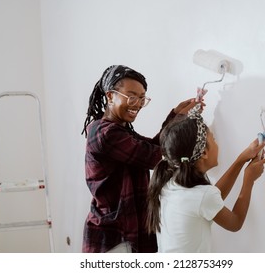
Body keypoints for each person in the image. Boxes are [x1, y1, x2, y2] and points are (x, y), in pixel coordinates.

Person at [81, 65, 198, 253]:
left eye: (142, 98)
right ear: (110, 96)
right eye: (131, 96)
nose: (137, 103)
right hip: (113, 236)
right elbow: (153, 156)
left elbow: (152, 147)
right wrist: (180, 123)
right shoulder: (105, 133)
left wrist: (177, 116)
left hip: (132, 231)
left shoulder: (120, 131)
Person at [146, 104, 265, 252]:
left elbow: (210, 201)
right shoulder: (202, 196)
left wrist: (240, 160)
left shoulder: (171, 181)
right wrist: (248, 180)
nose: (217, 144)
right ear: (204, 153)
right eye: (214, 140)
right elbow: (235, 222)